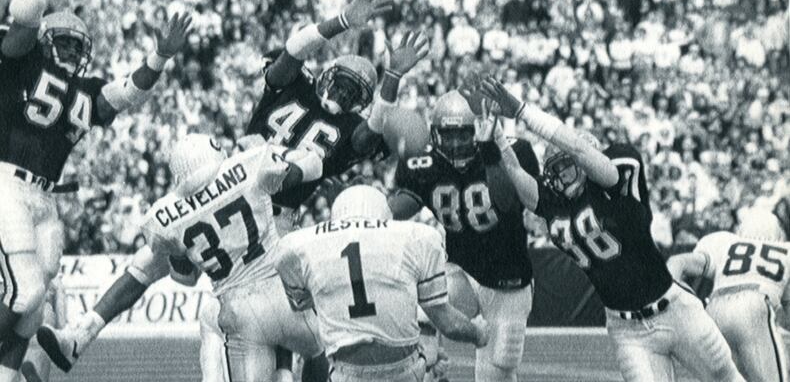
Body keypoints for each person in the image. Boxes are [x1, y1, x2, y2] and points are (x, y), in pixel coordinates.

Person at [37, 0, 427, 379]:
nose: (341, 93)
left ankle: (83, 337)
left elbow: (373, 129)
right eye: (339, 82)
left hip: (273, 216)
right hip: (233, 183)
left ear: (361, 100)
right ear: (326, 75)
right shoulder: (295, 85)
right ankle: (79, 336)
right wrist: (341, 21)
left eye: (351, 91)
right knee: (156, 260)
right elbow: (292, 52)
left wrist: (392, 76)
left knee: (263, 312)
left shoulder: (352, 130)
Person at [0, 0, 191, 378]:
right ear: (45, 42)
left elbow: (127, 93)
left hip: (44, 198)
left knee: (35, 311)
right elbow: (27, 10)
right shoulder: (18, 62)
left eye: (76, 46)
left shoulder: (84, 93)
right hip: (5, 183)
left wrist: (159, 57)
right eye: (63, 44)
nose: (70, 53)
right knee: (25, 293)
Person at [476, 78, 745, 382]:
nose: (558, 179)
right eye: (553, 173)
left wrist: (523, 112)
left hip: (676, 311)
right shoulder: (556, 203)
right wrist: (497, 140)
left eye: (563, 168)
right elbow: (517, 176)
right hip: (626, 330)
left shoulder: (615, 173)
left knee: (727, 377)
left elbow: (577, 148)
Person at [143, 133, 326, 381]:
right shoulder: (248, 165)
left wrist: (181, 252)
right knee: (317, 351)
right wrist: (297, 158)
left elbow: (185, 278)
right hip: (281, 291)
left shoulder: (161, 218)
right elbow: (314, 168)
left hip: (239, 310)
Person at [387, 86, 540, 382]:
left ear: (480, 128)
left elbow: (507, 202)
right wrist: (372, 203)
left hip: (507, 278)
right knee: (416, 309)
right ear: (434, 133)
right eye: (448, 134)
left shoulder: (515, 150)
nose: (455, 143)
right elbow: (398, 210)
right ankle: (430, 370)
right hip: (461, 269)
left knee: (498, 370)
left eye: (463, 134)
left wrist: (489, 150)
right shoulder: (425, 162)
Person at [275, 185, 488, 382]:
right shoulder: (417, 237)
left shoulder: (300, 245)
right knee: (430, 359)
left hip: (347, 373)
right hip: (403, 370)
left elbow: (302, 304)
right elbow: (449, 324)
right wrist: (478, 333)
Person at [667, 214, 789, 381]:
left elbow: (677, 261)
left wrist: (679, 300)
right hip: (754, 305)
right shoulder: (785, 251)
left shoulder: (725, 243)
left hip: (715, 309)